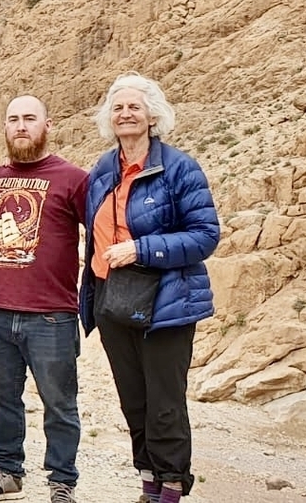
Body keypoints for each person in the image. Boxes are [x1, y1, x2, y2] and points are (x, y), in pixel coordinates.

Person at [80, 74, 219, 503]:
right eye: (117, 108)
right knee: (134, 402)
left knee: (164, 404)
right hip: (114, 301)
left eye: (134, 107)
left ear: (152, 115)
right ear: (108, 118)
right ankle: (148, 486)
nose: (125, 114)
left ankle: (172, 488)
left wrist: (141, 248)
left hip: (168, 302)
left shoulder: (180, 168)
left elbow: (205, 235)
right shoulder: (102, 170)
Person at [0, 96, 88, 503]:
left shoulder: (73, 178)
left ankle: (62, 482)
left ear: (47, 125)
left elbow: (104, 231)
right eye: (13, 119)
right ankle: (7, 473)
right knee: (0, 399)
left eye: (29, 119)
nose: (21, 126)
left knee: (59, 403)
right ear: (4, 127)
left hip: (51, 315)